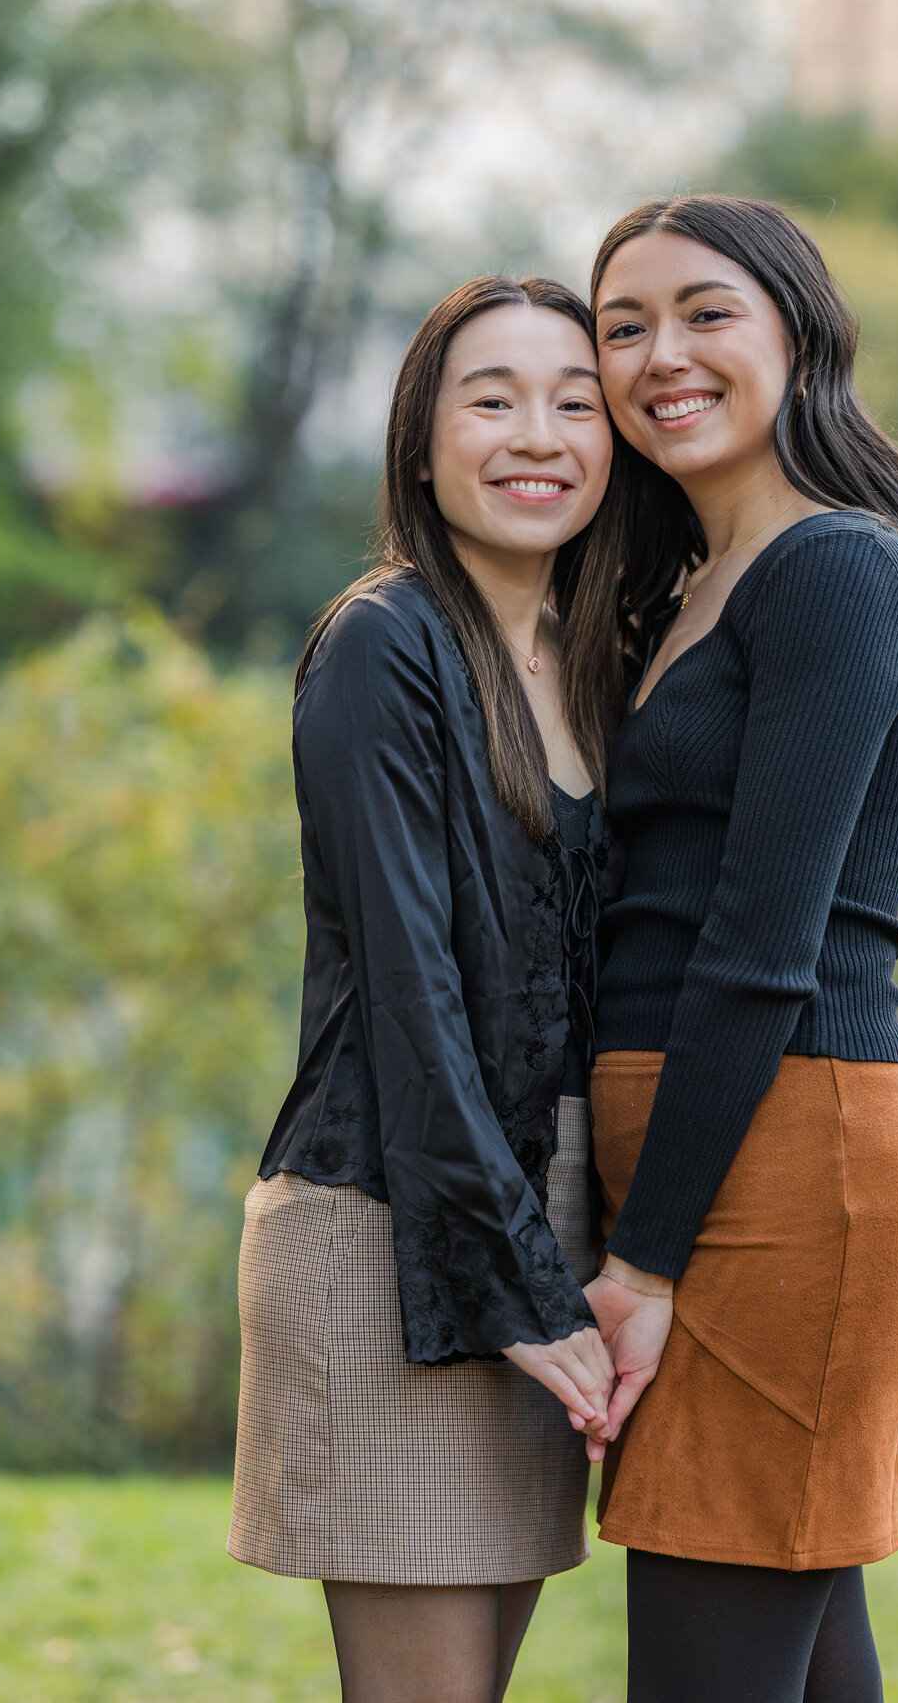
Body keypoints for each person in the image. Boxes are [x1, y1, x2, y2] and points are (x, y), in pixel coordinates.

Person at [228, 274, 630, 1703]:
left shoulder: (595, 654)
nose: (540, 434)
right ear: (420, 442)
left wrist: (573, 1257)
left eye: (576, 403)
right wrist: (523, 1286)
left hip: (540, 1219)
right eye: (494, 398)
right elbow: (412, 997)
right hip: (395, 1222)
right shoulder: (384, 645)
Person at [582, 196, 898, 1703]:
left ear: (798, 333)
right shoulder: (683, 586)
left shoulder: (837, 572)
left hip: (783, 1171)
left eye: (705, 311)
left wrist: (647, 1254)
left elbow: (760, 949)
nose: (660, 353)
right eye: (623, 325)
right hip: (713, 1152)